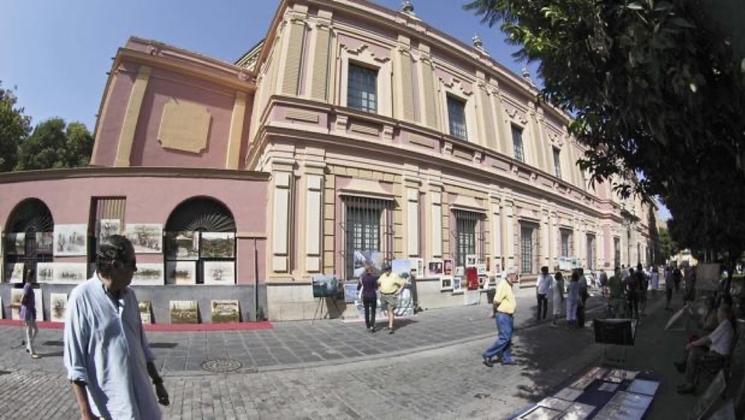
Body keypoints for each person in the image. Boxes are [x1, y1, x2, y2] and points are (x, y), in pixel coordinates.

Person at [64, 235, 169, 419]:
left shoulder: (130, 296)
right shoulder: (81, 298)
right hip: (112, 408)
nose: (135, 268)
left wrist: (157, 381)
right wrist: (85, 414)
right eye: (132, 262)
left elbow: (141, 345)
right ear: (115, 264)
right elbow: (75, 364)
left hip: (144, 401)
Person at [675, 304, 736, 394]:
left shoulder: (725, 324)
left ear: (723, 314)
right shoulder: (726, 324)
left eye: (718, 312)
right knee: (695, 346)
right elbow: (709, 338)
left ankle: (689, 384)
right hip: (717, 355)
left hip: (717, 358)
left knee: (694, 352)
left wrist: (692, 344)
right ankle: (686, 370)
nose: (717, 315)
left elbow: (708, 339)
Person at [482, 267, 518, 366]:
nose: (517, 277)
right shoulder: (503, 285)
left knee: (508, 338)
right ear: (511, 275)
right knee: (504, 338)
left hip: (509, 315)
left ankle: (506, 358)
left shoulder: (509, 285)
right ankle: (488, 354)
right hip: (503, 315)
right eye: (516, 275)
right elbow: (496, 301)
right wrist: (494, 312)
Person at [377, 263, 405, 334]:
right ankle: (390, 324)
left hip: (391, 296)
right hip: (384, 296)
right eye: (385, 270)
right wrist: (379, 288)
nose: (386, 271)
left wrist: (399, 291)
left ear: (390, 269)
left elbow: (402, 283)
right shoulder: (383, 276)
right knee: (388, 311)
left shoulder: (394, 276)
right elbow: (378, 282)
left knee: (390, 310)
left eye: (387, 269)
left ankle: (391, 327)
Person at [20, 268, 40, 359]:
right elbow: (22, 299)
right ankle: (32, 352)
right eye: (33, 276)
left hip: (30, 310)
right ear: (31, 277)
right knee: (29, 331)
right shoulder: (27, 286)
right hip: (27, 311)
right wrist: (26, 304)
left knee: (35, 330)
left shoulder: (29, 286)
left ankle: (29, 346)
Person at [357, 264, 379, 332]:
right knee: (373, 311)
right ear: (371, 271)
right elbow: (376, 287)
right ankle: (372, 325)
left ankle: (367, 324)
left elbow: (358, 288)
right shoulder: (373, 278)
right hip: (372, 296)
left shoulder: (362, 278)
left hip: (365, 296)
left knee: (366, 310)